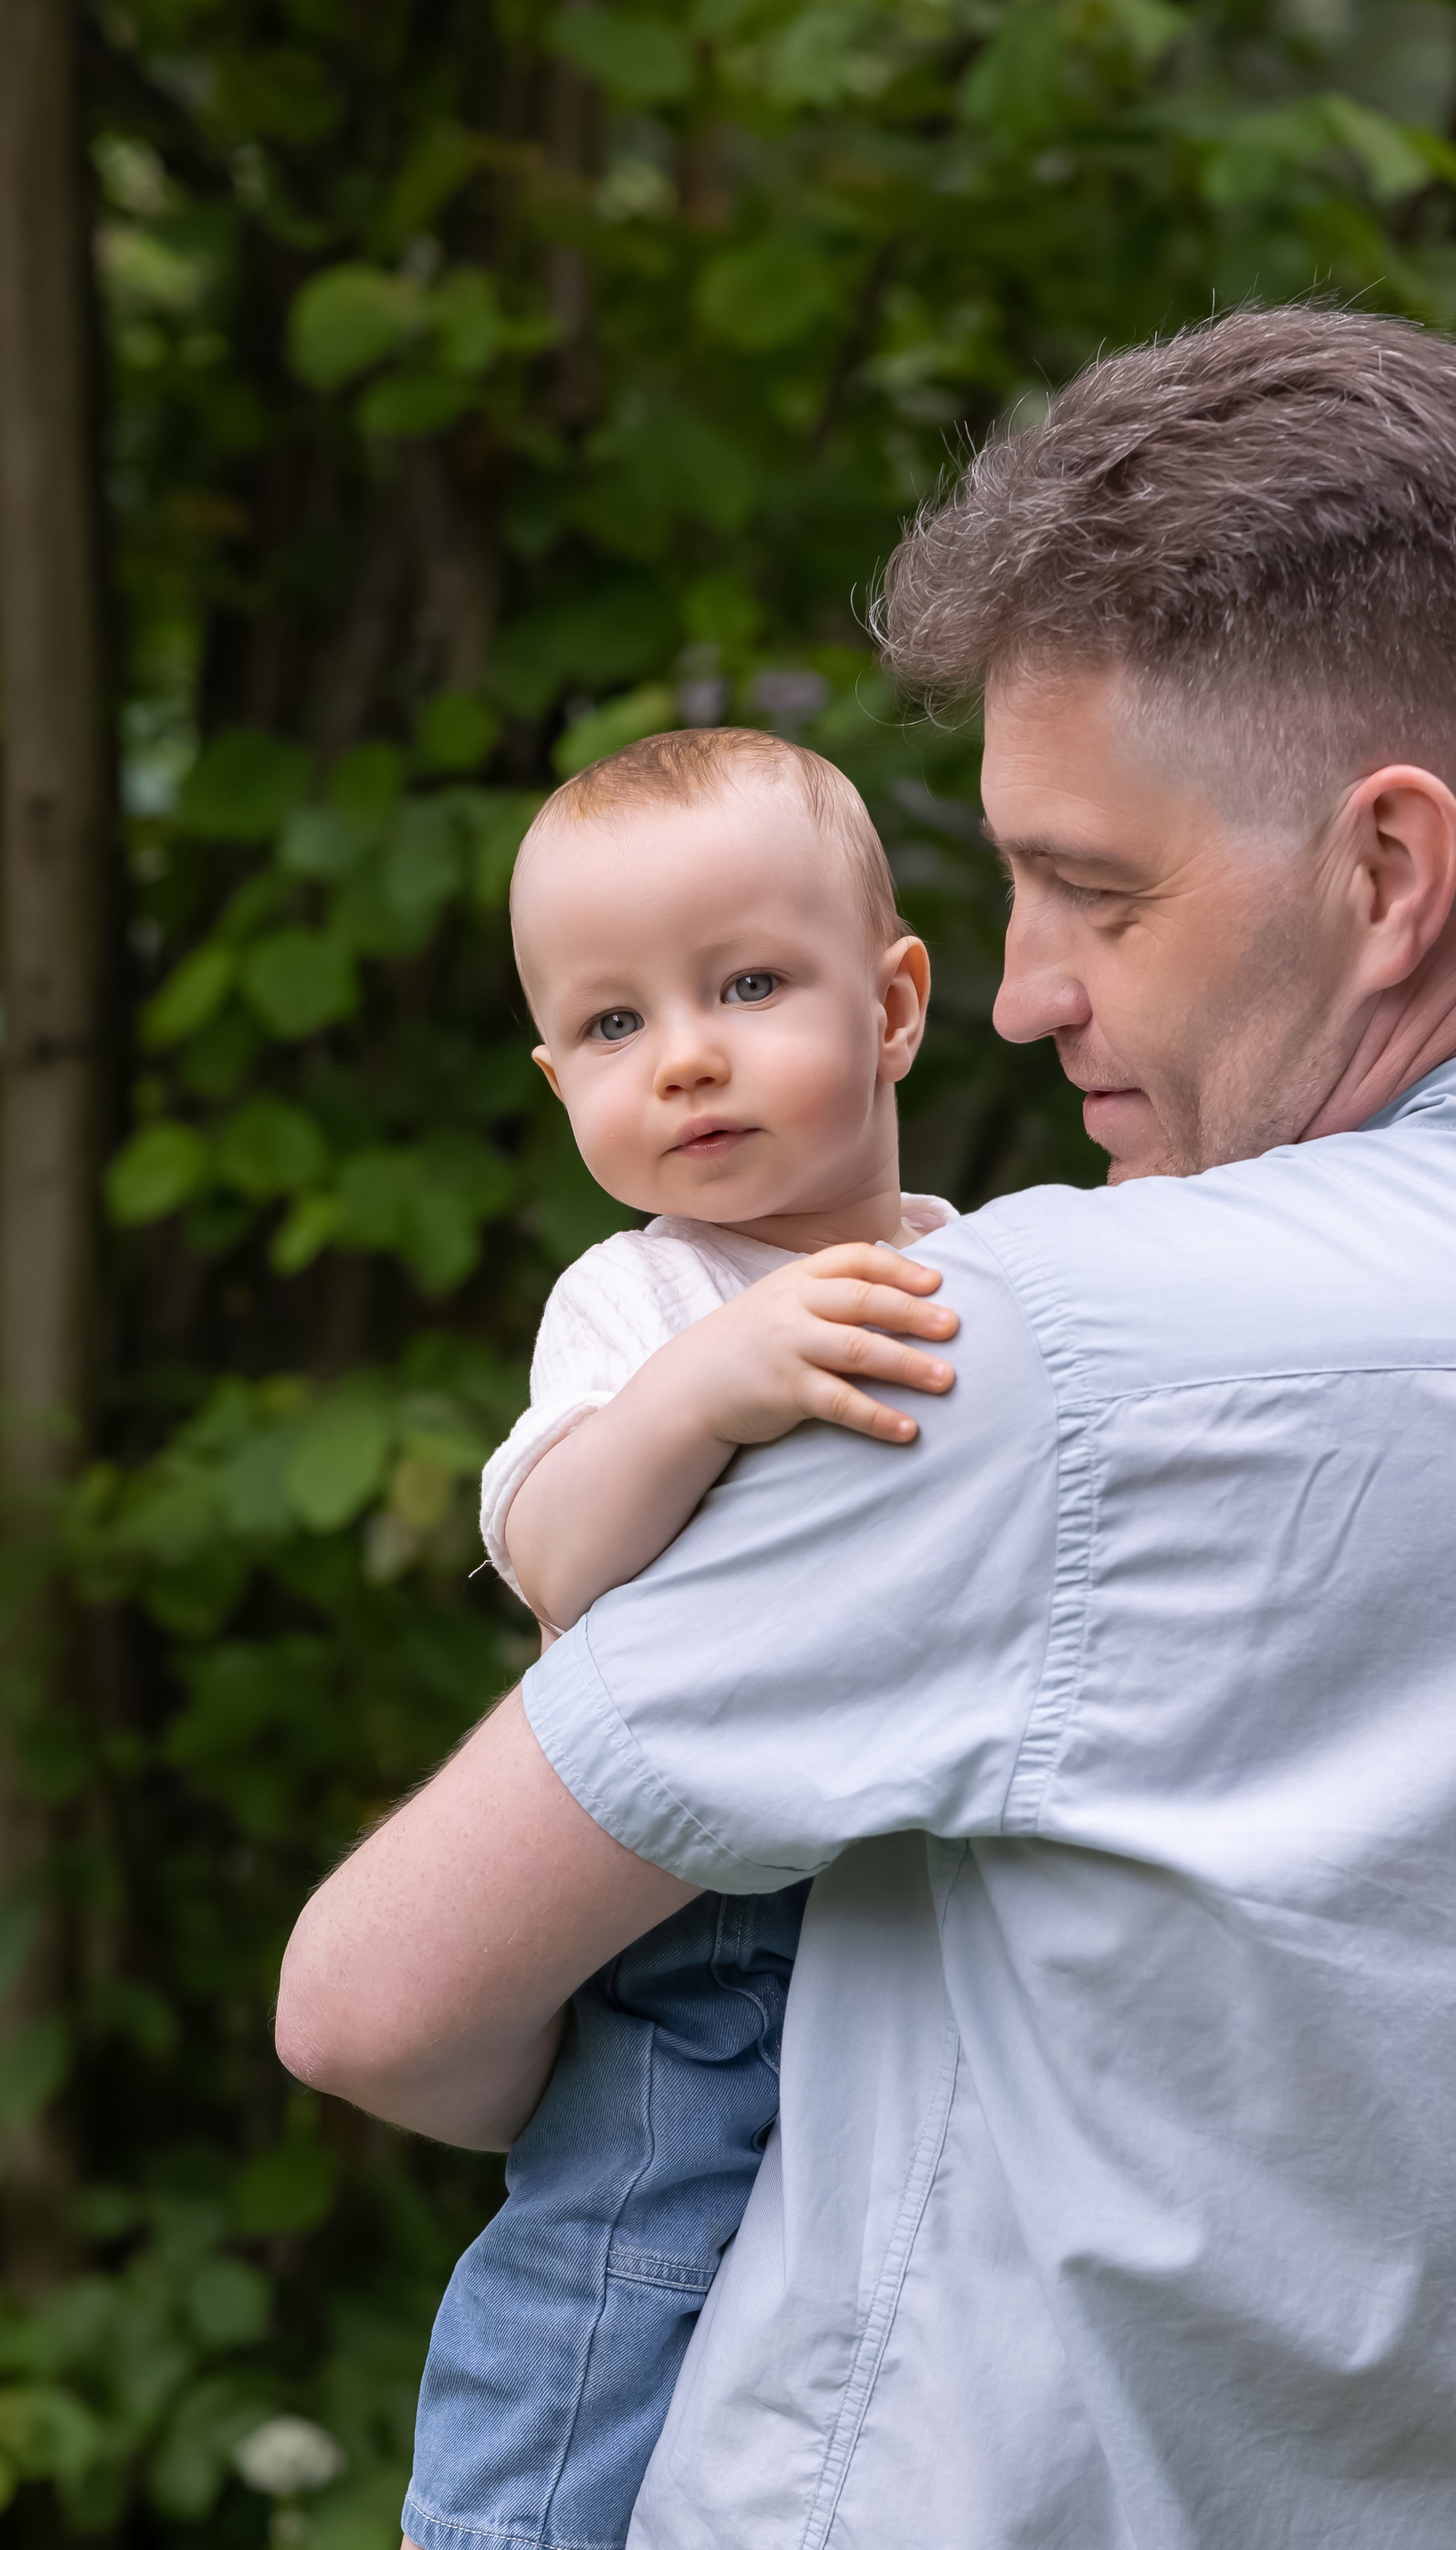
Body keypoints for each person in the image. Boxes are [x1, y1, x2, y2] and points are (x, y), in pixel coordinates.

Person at [277, 308, 1456, 2549]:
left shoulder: (1030, 1352)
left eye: (1099, 892)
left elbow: (373, 2003)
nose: (1029, 988)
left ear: (1387, 872)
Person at [403, 727, 957, 2550]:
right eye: (614, 1024)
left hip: (923, 1874)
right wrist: (702, 1392)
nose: (687, 1055)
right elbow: (558, 1558)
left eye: (748, 986)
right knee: (628, 2242)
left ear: (894, 1006)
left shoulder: (987, 1268)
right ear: (557, 1075)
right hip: (701, 1908)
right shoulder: (644, 1295)